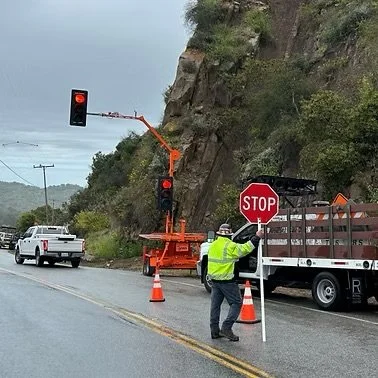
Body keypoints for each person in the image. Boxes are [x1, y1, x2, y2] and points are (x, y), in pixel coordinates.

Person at [208, 223, 263, 342]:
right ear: (229, 235)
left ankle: (214, 331)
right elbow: (244, 249)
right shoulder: (229, 246)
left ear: (218, 234)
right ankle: (226, 328)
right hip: (227, 281)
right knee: (236, 303)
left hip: (214, 281)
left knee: (215, 306)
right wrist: (257, 237)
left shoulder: (212, 245)